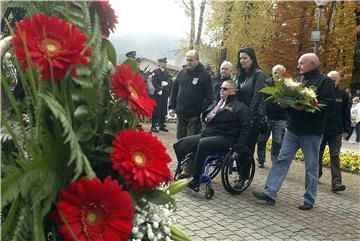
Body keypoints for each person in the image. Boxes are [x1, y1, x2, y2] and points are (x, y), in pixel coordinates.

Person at [253, 53, 335, 210]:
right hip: (293, 129)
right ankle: (270, 192)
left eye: (301, 64)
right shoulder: (297, 80)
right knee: (282, 160)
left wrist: (306, 107)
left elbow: (327, 106)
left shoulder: (324, 82)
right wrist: (285, 104)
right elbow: (287, 100)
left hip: (311, 132)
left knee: (311, 166)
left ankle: (309, 200)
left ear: (312, 63)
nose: (298, 67)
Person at [173, 80, 251, 190]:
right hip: (208, 134)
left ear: (233, 92)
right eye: (221, 88)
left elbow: (246, 129)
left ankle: (196, 179)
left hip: (226, 137)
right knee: (181, 143)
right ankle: (187, 168)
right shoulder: (217, 103)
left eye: (225, 89)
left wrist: (238, 147)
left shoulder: (240, 108)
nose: (221, 91)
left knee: (203, 143)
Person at [234, 47, 266, 186]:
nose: (242, 61)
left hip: (252, 117)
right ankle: (240, 171)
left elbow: (257, 97)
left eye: (245, 58)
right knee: (237, 145)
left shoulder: (258, 74)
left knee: (247, 148)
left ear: (252, 59)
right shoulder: (239, 75)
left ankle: (243, 177)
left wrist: (248, 116)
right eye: (240, 58)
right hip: (238, 116)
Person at [318, 71, 351, 192]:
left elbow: (346, 114)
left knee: (335, 156)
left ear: (338, 81)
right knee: (318, 154)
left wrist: (347, 131)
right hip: (321, 129)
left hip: (336, 131)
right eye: (330, 79)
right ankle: (316, 174)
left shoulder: (343, 95)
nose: (332, 82)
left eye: (334, 80)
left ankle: (336, 183)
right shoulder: (320, 92)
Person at [169, 50, 213, 139]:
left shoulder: (205, 75)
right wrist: (172, 107)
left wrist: (201, 111)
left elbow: (209, 96)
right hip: (181, 114)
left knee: (189, 140)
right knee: (180, 139)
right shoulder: (181, 73)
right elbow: (174, 91)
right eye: (187, 60)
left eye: (191, 60)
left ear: (197, 60)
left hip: (194, 116)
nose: (188, 62)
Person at [257, 65, 288, 168]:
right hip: (267, 116)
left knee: (277, 141)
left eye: (280, 73)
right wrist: (262, 115)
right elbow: (261, 101)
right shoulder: (266, 84)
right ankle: (261, 159)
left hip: (281, 118)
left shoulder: (287, 86)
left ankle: (275, 161)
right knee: (262, 139)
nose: (277, 75)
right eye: (275, 72)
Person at [150, 57, 172, 132]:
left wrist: (167, 83)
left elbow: (170, 81)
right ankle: (153, 126)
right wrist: (158, 89)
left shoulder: (167, 73)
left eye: (165, 63)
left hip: (164, 93)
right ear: (159, 63)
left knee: (163, 110)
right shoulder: (155, 72)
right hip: (158, 94)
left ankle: (162, 125)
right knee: (156, 110)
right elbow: (154, 81)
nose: (164, 64)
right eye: (163, 62)